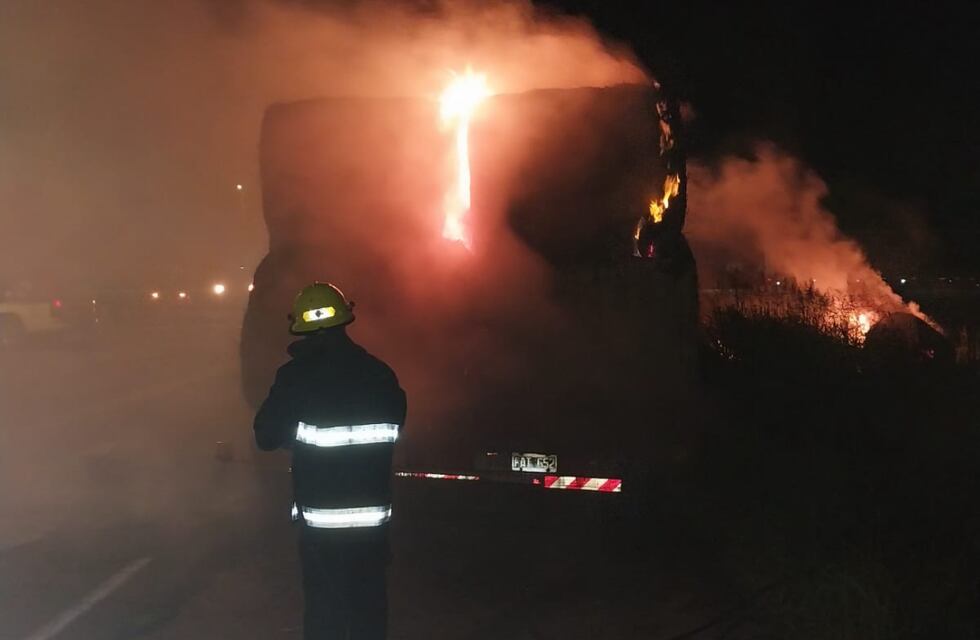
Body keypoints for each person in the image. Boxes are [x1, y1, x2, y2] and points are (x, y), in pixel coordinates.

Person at [254, 282, 406, 639]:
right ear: (344, 319)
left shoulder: (295, 378)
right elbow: (395, 426)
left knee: (325, 611)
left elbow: (265, 436)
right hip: (372, 523)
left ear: (301, 326)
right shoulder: (380, 374)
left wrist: (299, 436)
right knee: (368, 608)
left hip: (321, 527)